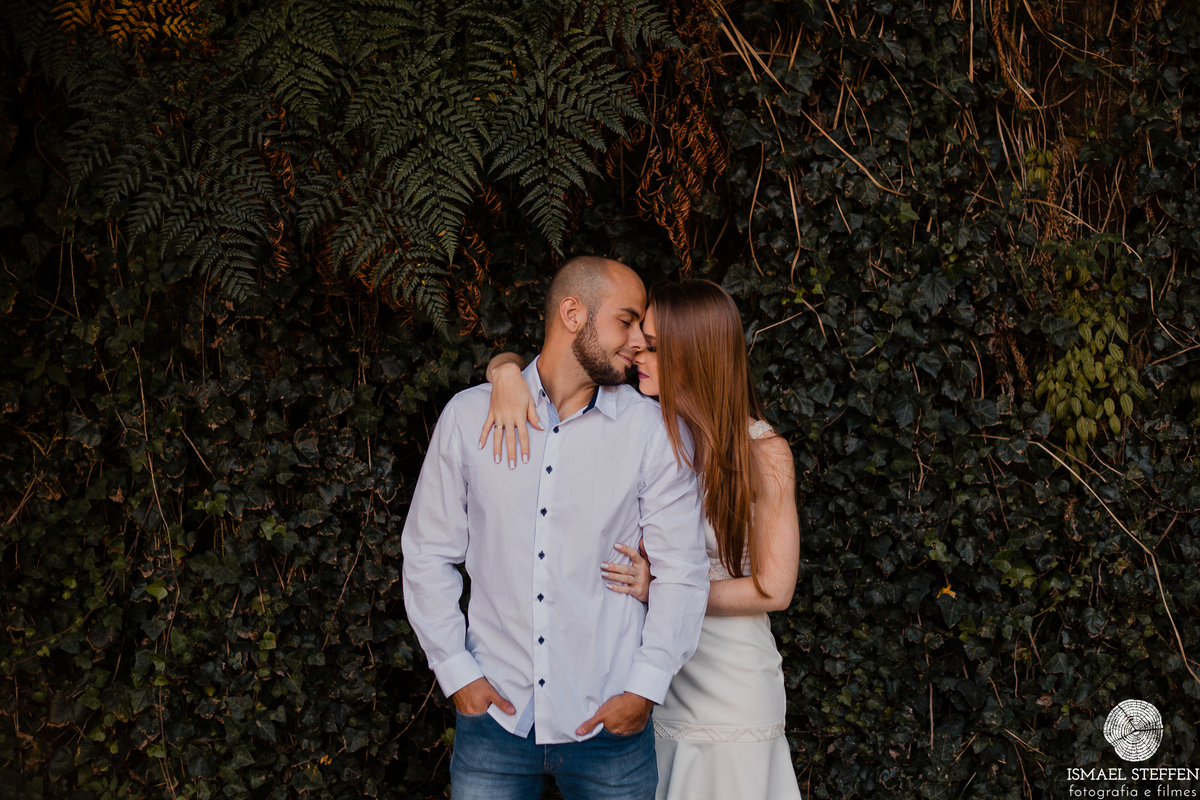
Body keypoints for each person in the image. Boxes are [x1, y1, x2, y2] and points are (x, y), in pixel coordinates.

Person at [401, 256, 711, 800]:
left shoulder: (651, 433)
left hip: (610, 723)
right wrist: (457, 673)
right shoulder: (467, 418)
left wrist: (645, 689)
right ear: (573, 313)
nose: (640, 340)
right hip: (496, 720)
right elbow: (428, 553)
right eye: (627, 321)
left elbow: (683, 570)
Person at [481, 279, 802, 800]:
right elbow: (551, 365)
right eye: (638, 338)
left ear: (694, 352)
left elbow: (775, 589)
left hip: (728, 682)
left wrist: (665, 587)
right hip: (650, 678)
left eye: (653, 345)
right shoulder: (643, 427)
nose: (636, 351)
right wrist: (503, 372)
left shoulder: (761, 453)